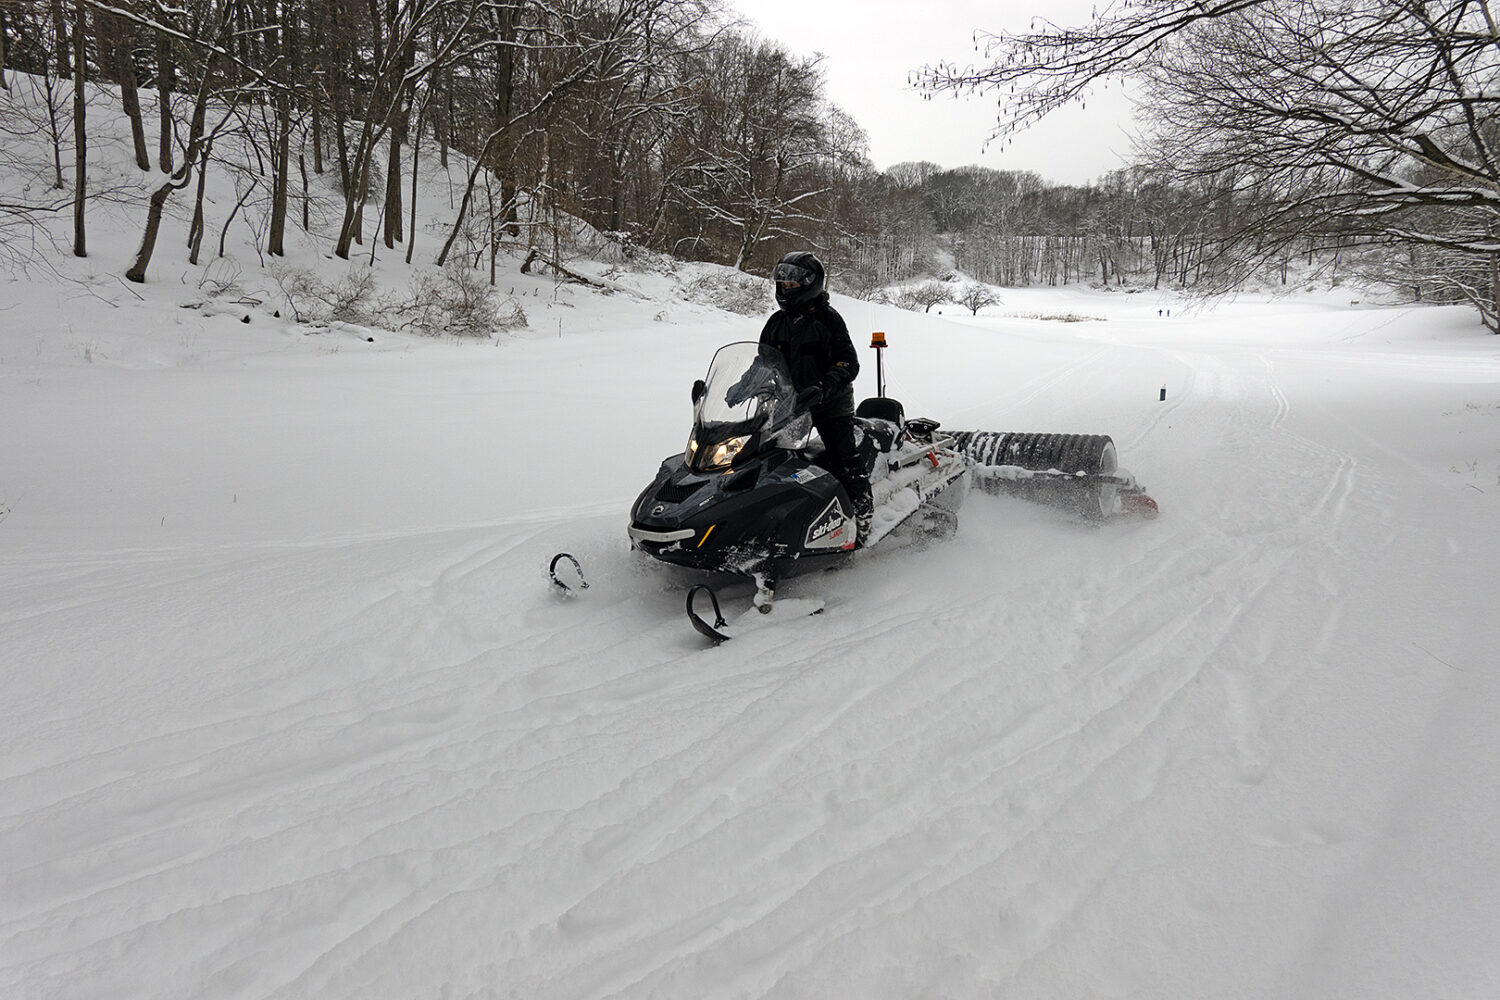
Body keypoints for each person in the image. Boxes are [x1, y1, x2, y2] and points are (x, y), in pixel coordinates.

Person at [760, 251, 874, 543]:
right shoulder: (776, 323)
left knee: (844, 458)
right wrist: (742, 387)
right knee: (763, 458)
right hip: (789, 404)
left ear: (811, 283)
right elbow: (764, 362)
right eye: (783, 283)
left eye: (792, 284)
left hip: (830, 403)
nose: (786, 288)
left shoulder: (828, 320)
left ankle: (862, 520)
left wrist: (824, 386)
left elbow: (848, 362)